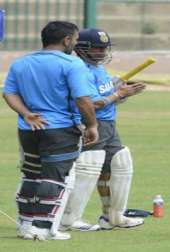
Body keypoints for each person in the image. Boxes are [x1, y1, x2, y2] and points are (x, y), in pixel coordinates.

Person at [3, 21, 99, 240]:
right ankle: (43, 227)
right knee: (54, 178)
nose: (74, 45)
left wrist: (26, 113)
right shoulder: (73, 64)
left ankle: (26, 224)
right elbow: (83, 100)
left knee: (31, 176)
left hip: (28, 129)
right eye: (74, 40)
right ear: (66, 40)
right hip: (60, 129)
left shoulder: (21, 63)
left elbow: (9, 93)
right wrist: (92, 125)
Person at [60, 28, 146, 231]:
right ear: (81, 48)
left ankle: (112, 217)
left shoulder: (98, 68)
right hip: (90, 124)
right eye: (97, 48)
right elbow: (90, 103)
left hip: (109, 125)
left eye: (104, 48)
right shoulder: (79, 68)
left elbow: (105, 96)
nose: (101, 52)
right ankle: (69, 219)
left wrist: (122, 92)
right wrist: (118, 94)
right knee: (89, 168)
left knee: (120, 163)